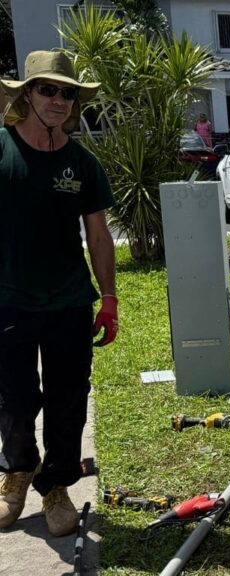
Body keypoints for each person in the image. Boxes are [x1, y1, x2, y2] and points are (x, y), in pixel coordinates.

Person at [0, 50, 117, 537]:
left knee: (70, 398)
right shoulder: (1, 151)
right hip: (8, 301)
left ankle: (56, 486)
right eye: (48, 89)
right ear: (27, 93)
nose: (58, 99)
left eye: (67, 92)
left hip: (69, 301)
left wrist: (108, 298)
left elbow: (98, 235)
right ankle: (17, 474)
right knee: (14, 398)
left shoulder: (82, 164)